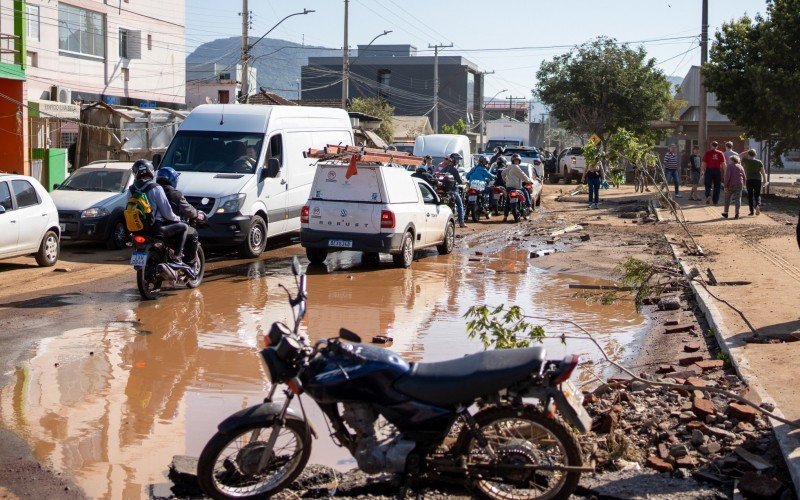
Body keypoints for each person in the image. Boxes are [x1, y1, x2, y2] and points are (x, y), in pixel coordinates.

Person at [129, 160, 187, 265]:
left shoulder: (131, 190)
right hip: (154, 229)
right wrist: (178, 219)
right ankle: (176, 258)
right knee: (183, 227)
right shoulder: (156, 188)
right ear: (151, 172)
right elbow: (167, 212)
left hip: (136, 229)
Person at [155, 167, 207, 266]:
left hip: (153, 227)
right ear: (173, 180)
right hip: (169, 228)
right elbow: (188, 211)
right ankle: (187, 262)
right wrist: (197, 214)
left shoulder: (152, 191)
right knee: (192, 233)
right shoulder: (175, 194)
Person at [502, 153, 534, 221]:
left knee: (508, 200)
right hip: (517, 187)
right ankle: (529, 206)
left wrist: (506, 181)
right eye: (515, 160)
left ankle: (505, 216)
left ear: (519, 161)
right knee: (525, 191)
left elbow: (503, 173)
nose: (516, 162)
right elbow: (522, 175)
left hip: (509, 187)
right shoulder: (516, 167)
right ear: (513, 161)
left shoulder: (508, 167)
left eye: (517, 160)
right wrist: (528, 181)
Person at [440, 153, 466, 228]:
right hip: (453, 191)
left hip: (445, 191)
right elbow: (459, 180)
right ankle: (461, 222)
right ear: (454, 160)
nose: (458, 162)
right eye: (457, 160)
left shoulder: (444, 168)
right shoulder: (454, 169)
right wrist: (464, 182)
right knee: (460, 205)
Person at [741, 149, 766, 216]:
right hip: (758, 180)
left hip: (749, 180)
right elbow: (763, 172)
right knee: (757, 194)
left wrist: (747, 151)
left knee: (750, 195)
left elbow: (739, 155)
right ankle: (757, 205)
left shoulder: (746, 161)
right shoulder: (759, 162)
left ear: (749, 155)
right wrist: (765, 180)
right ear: (755, 155)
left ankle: (751, 211)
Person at [701, 141, 726, 205]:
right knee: (717, 186)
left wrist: (702, 171)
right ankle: (715, 201)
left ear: (711, 145)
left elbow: (704, 163)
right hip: (717, 170)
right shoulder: (720, 153)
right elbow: (723, 164)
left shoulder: (707, 153)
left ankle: (708, 195)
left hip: (709, 170)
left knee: (707, 184)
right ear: (717, 146)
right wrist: (725, 172)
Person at [722, 155, 746, 219]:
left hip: (731, 185)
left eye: (730, 160)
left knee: (727, 198)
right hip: (739, 184)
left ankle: (726, 213)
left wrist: (725, 186)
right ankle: (737, 214)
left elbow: (727, 177)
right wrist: (744, 184)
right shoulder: (741, 166)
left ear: (732, 160)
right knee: (738, 199)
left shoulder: (729, 166)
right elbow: (744, 176)